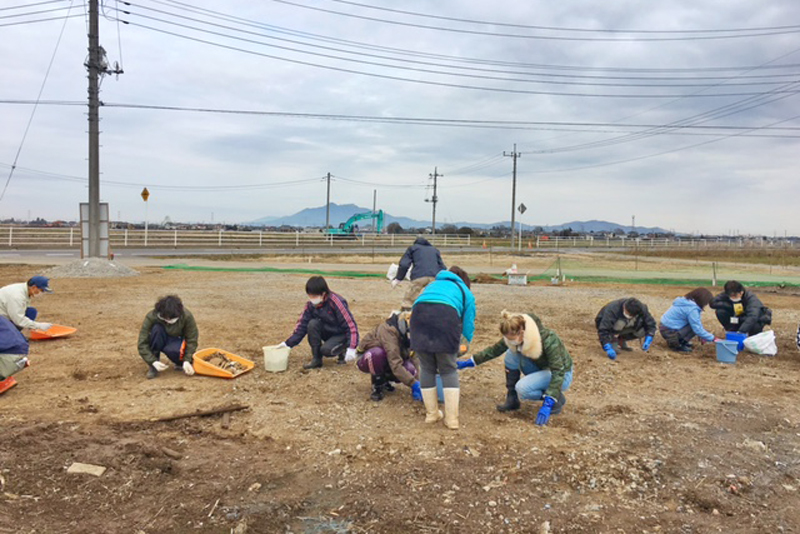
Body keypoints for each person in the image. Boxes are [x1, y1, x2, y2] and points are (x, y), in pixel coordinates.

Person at [457, 310, 573, 426]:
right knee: (511, 353)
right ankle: (512, 398)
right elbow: (494, 350)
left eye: (512, 338)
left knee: (523, 389)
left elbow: (558, 370)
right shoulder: (514, 332)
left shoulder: (548, 338)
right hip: (539, 367)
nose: (511, 341)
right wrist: (470, 362)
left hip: (561, 375)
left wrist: (549, 400)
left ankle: (556, 397)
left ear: (522, 332)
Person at [410, 266, 475, 430]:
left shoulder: (431, 285)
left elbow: (416, 305)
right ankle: (452, 419)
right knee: (448, 369)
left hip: (418, 317)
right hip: (445, 317)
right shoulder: (464, 291)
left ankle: (431, 414)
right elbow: (468, 324)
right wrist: (464, 343)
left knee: (426, 367)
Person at [282, 276, 359, 370]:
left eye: (314, 296)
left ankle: (343, 350)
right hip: (327, 331)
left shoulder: (336, 302)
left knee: (326, 350)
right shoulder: (310, 305)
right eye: (310, 295)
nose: (312, 298)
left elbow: (350, 325)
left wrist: (352, 347)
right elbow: (302, 325)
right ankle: (317, 359)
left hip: (340, 334)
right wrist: (287, 344)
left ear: (323, 293)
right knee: (312, 324)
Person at [0, 276, 53, 395]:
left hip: (4, 314)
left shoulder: (25, 291)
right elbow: (18, 319)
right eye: (41, 290)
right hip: (2, 317)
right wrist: (37, 325)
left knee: (31, 312)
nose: (41, 293)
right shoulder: (17, 296)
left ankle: (12, 337)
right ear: (33, 287)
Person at [356, 311, 422, 402]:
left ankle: (387, 380)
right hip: (368, 358)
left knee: (410, 370)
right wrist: (413, 383)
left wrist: (420, 383)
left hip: (390, 359)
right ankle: (377, 385)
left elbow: (414, 358)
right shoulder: (388, 330)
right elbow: (395, 362)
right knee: (377, 354)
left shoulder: (410, 332)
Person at [138, 295, 198, 379]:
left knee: (174, 350)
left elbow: (192, 339)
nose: (170, 320)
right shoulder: (151, 316)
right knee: (156, 329)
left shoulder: (186, 316)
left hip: (175, 341)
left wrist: (187, 360)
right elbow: (142, 343)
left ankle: (180, 363)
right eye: (166, 318)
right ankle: (154, 367)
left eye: (172, 318)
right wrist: (152, 361)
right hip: (158, 338)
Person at [392, 237, 447, 310]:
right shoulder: (434, 250)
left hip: (419, 276)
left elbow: (404, 264)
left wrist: (398, 278)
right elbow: (442, 267)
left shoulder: (413, 248)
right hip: (434, 277)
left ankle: (407, 316)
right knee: (434, 299)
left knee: (408, 301)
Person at [659, 288, 719, 352]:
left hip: (664, 328)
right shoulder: (692, 309)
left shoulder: (685, 302)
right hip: (670, 332)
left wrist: (703, 336)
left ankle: (680, 341)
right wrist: (713, 338)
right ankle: (677, 344)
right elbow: (697, 329)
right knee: (693, 327)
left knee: (693, 325)